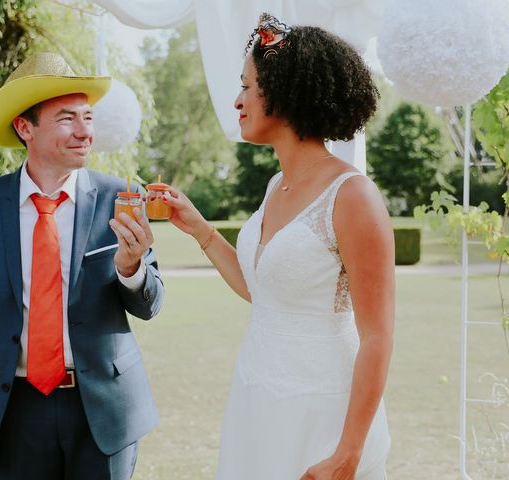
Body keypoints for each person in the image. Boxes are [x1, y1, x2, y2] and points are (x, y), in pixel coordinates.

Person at [163, 13, 393, 480]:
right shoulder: (275, 186)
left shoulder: (353, 196)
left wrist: (348, 452)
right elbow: (262, 290)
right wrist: (201, 230)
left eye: (246, 86)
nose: (236, 100)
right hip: (258, 399)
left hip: (322, 414)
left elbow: (378, 337)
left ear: (284, 92)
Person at [0, 52, 164, 480]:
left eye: (88, 117)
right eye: (67, 118)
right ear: (25, 128)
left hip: (104, 411)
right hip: (14, 411)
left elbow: (150, 304)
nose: (85, 132)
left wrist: (132, 268)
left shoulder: (123, 195)